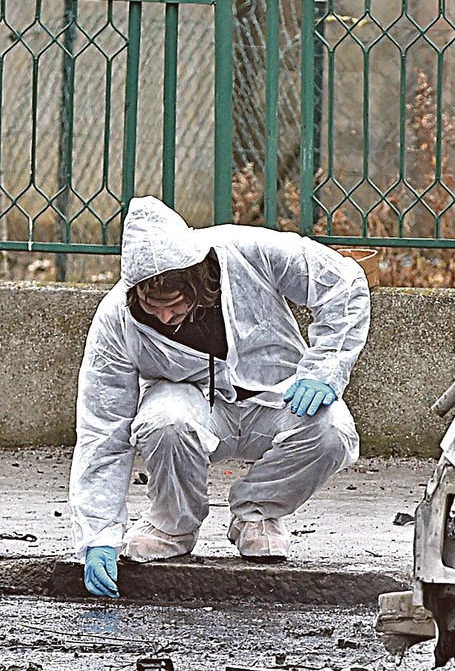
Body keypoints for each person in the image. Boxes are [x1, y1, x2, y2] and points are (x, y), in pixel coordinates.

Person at [70, 196, 370, 598]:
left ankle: (258, 513)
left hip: (278, 397)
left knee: (332, 430)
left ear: (198, 279)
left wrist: (324, 369)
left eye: (174, 306)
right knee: (165, 422)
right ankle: (171, 524)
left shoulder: (246, 251)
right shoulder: (115, 320)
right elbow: (102, 429)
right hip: (191, 408)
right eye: (151, 307)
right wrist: (99, 534)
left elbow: (343, 283)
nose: (163, 319)